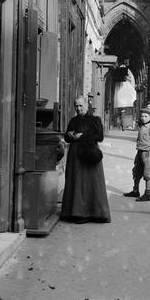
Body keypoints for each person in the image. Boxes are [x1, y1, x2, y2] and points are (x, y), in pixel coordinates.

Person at [61, 96, 111, 224]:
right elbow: (67, 137)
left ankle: (95, 213)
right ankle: (76, 212)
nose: (78, 108)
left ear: (87, 106)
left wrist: (83, 135)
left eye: (81, 106)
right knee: (76, 182)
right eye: (76, 106)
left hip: (89, 153)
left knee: (92, 183)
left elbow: (99, 136)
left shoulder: (95, 120)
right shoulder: (73, 121)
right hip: (75, 156)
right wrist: (69, 135)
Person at [123, 108, 150, 201]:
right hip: (139, 151)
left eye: (146, 116)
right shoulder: (142, 127)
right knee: (136, 171)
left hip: (147, 153)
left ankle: (147, 194)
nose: (143, 118)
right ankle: (135, 191)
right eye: (142, 116)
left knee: (148, 173)